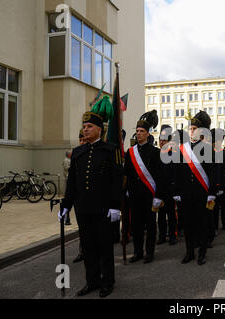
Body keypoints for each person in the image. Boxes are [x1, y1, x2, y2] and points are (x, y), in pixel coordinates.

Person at [60, 111, 123, 298]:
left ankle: (107, 281)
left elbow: (116, 181)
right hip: (83, 208)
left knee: (104, 246)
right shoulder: (78, 152)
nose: (85, 130)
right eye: (84, 127)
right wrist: (65, 206)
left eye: (89, 127)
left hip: (103, 209)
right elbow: (72, 182)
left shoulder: (110, 150)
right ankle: (92, 281)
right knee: (88, 247)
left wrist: (115, 206)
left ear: (99, 129)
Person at [173, 111, 217, 265]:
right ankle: (189, 252)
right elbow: (177, 172)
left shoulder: (207, 149)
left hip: (202, 193)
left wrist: (211, 193)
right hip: (186, 193)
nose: (192, 131)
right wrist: (177, 191)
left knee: (202, 224)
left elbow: (212, 172)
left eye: (194, 129)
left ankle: (202, 253)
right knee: (188, 224)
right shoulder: (182, 149)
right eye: (190, 129)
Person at [124, 110, 163, 264]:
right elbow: (126, 173)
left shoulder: (155, 152)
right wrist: (126, 191)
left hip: (149, 195)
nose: (138, 134)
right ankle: (138, 252)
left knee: (151, 225)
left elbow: (160, 177)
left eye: (142, 131)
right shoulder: (130, 153)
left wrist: (158, 196)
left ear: (148, 134)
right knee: (136, 226)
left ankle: (150, 253)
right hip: (134, 195)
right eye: (137, 131)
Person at [157, 125, 177, 246]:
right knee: (160, 215)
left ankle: (172, 235)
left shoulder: (174, 154)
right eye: (160, 139)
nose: (161, 142)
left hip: (171, 189)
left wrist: (176, 190)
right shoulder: (157, 154)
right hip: (160, 189)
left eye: (164, 139)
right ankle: (162, 235)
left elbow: (176, 173)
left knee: (171, 214)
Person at [211, 128, 225, 234]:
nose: (218, 143)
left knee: (224, 206)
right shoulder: (209, 153)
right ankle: (214, 226)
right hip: (214, 184)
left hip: (223, 183)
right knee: (214, 207)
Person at [72, 129, 87, 263]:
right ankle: (82, 251)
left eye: (84, 140)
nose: (82, 142)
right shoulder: (75, 154)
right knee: (81, 227)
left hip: (91, 199)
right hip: (78, 198)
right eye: (80, 140)